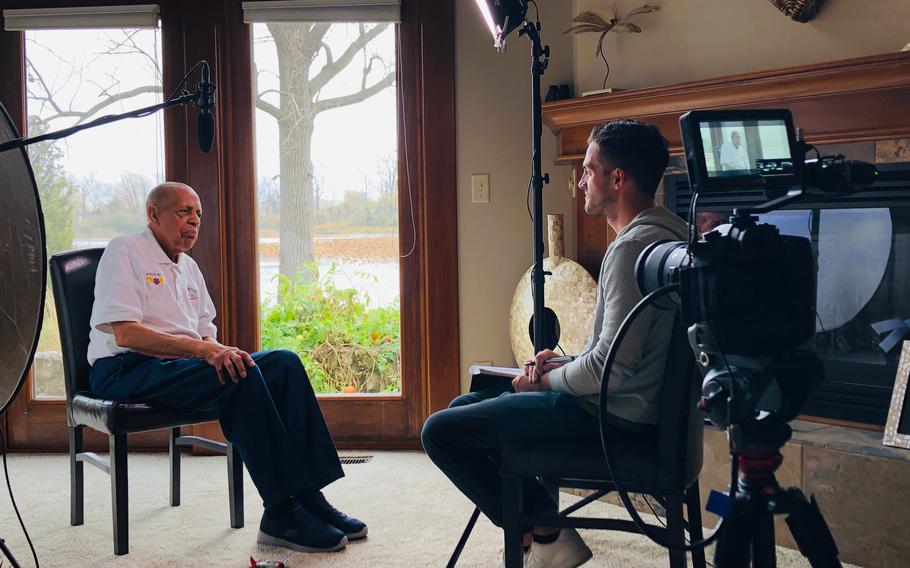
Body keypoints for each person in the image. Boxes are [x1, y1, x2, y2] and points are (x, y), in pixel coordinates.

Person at [422, 120, 689, 568]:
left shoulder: (631, 251)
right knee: (463, 404)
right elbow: (621, 352)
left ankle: (545, 530)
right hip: (625, 408)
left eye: (588, 170)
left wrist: (547, 384)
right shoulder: (670, 232)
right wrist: (562, 363)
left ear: (617, 179)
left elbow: (612, 370)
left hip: (613, 420)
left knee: (440, 432)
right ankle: (545, 532)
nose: (580, 180)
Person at [87, 182, 366, 554]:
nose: (194, 221)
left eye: (198, 214)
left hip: (180, 366)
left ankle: (308, 496)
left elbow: (207, 334)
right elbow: (126, 334)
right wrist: (207, 353)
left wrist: (221, 351)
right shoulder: (125, 251)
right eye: (183, 211)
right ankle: (280, 512)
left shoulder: (188, 267)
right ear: (153, 214)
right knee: (241, 376)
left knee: (282, 363)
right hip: (125, 369)